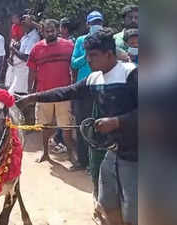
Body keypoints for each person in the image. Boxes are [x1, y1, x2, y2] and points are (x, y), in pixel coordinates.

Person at [17, 27, 138, 225]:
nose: (88, 60)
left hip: (137, 154)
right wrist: (33, 98)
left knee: (134, 211)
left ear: (109, 54)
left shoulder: (130, 74)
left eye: (93, 55)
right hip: (113, 152)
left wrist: (117, 122)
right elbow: (66, 92)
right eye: (87, 55)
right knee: (106, 203)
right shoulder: (94, 78)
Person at [26, 19, 76, 166]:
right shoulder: (36, 49)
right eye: (47, 31)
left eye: (52, 30)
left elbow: (73, 69)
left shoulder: (69, 46)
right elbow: (32, 71)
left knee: (66, 126)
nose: (50, 33)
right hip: (44, 94)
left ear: (57, 30)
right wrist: (31, 91)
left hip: (64, 93)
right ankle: (45, 153)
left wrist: (73, 88)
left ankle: (70, 155)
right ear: (42, 32)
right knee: (45, 126)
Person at [71, 11, 103, 174]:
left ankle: (94, 163)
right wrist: (86, 53)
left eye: (99, 22)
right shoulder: (81, 41)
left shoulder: (105, 41)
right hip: (83, 89)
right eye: (93, 23)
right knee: (81, 125)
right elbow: (74, 63)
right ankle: (82, 161)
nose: (96, 26)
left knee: (98, 125)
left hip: (101, 87)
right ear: (88, 25)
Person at [6, 14, 40, 95]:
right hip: (17, 71)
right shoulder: (25, 36)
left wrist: (13, 49)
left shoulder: (34, 37)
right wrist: (16, 47)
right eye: (22, 23)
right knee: (11, 94)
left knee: (16, 96)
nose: (22, 25)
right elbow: (20, 49)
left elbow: (26, 57)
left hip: (24, 72)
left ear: (31, 24)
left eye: (25, 23)